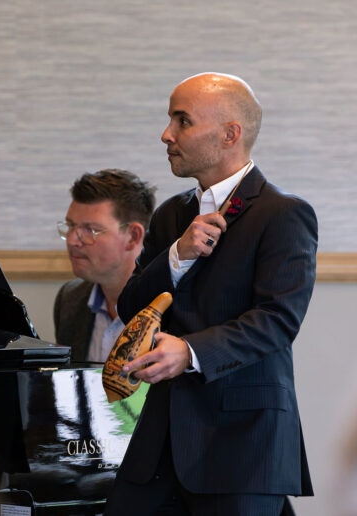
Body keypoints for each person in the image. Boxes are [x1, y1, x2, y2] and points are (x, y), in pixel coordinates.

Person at [104, 74, 318, 516]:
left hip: (242, 446)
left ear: (230, 134)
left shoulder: (283, 214)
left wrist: (189, 352)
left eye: (182, 121)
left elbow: (277, 320)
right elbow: (130, 308)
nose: (166, 134)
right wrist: (176, 255)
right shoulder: (171, 214)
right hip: (157, 445)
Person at [54, 169, 156, 363]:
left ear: (133, 237)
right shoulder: (70, 298)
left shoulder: (171, 304)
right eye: (70, 226)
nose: (72, 240)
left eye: (90, 230)